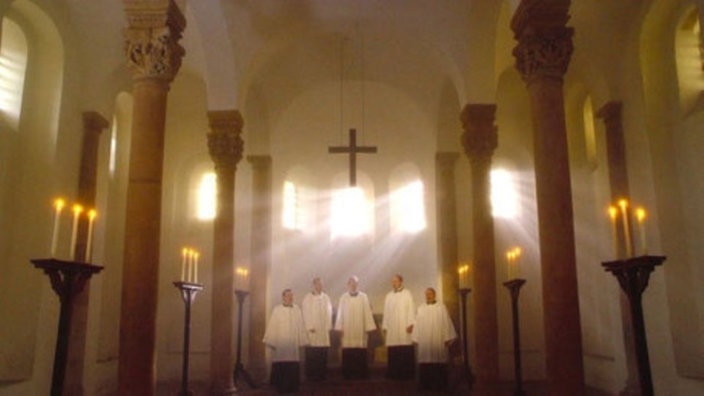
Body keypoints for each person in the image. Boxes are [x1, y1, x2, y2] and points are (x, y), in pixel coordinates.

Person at [263, 289, 309, 393]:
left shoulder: (297, 309)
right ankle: (281, 387)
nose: (291, 298)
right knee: (281, 364)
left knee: (293, 365)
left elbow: (301, 326)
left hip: (293, 345)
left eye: (292, 296)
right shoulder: (277, 310)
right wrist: (272, 340)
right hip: (281, 345)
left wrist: (302, 339)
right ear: (283, 297)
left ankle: (293, 387)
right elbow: (272, 326)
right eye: (288, 296)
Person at [412, 287, 457, 391]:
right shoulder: (421, 308)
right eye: (426, 294)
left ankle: (440, 385)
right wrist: (416, 337)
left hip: (438, 339)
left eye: (430, 293)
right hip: (425, 340)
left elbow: (446, 323)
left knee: (438, 359)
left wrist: (447, 337)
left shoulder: (441, 308)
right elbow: (417, 324)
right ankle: (425, 386)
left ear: (434, 295)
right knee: (425, 360)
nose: (428, 295)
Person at [334, 275, 377, 379]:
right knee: (348, 351)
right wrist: (339, 327)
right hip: (347, 329)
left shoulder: (363, 297)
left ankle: (361, 373)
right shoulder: (343, 297)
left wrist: (368, 327)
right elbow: (340, 313)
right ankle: (348, 374)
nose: (353, 285)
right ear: (348, 284)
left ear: (357, 284)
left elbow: (367, 312)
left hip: (360, 329)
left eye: (355, 283)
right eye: (351, 283)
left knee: (360, 350)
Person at [382, 274, 416, 380]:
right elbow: (386, 312)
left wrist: (411, 323)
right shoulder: (388, 296)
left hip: (404, 326)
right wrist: (385, 326)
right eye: (392, 281)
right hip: (392, 328)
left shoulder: (407, 294)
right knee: (393, 349)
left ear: (401, 281)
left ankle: (406, 374)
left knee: (405, 348)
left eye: (396, 281)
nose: (394, 283)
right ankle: (394, 373)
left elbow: (411, 309)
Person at [301, 277, 333, 381]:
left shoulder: (326, 298)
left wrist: (328, 325)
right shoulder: (308, 298)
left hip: (323, 330)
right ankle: (311, 374)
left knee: (322, 352)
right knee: (312, 352)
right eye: (317, 284)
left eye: (321, 284)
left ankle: (321, 374)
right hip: (313, 330)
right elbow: (305, 312)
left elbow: (329, 312)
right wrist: (309, 326)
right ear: (313, 285)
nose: (319, 286)